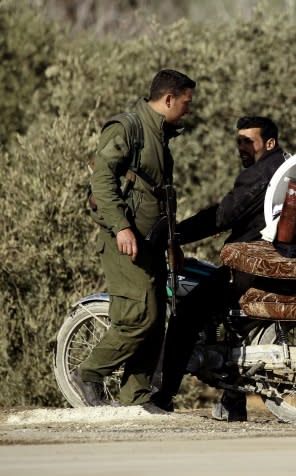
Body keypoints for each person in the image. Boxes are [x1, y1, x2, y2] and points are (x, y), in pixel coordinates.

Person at [149, 116, 287, 421]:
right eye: (238, 140)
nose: (241, 147)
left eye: (248, 141)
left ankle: (161, 394)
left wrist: (176, 234)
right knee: (231, 325)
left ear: (269, 143)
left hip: (251, 263)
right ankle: (233, 399)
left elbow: (223, 215)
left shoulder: (260, 174)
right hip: (275, 261)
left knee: (186, 315)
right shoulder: (285, 166)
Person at [73, 69, 196, 407]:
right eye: (186, 102)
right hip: (124, 242)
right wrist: (122, 227)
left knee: (157, 320)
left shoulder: (160, 134)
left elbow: (161, 197)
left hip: (152, 243)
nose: (188, 109)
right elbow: (102, 181)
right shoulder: (128, 128)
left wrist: (173, 244)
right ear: (168, 99)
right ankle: (90, 372)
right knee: (140, 316)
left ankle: (136, 396)